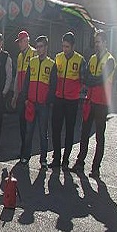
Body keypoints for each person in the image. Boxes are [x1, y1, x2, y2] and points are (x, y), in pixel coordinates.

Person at [71, 30, 115, 178]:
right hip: (90, 100)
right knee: (84, 133)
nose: (96, 44)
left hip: (102, 103)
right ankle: (80, 162)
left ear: (105, 43)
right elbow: (87, 78)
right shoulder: (92, 59)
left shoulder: (110, 60)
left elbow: (98, 80)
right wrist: (91, 80)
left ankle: (96, 168)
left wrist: (91, 80)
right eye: (95, 42)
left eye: (99, 42)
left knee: (99, 137)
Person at [49, 32, 87, 169]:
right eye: (63, 46)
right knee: (55, 129)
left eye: (67, 46)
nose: (65, 49)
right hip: (59, 99)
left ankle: (65, 160)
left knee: (69, 131)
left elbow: (84, 80)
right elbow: (53, 79)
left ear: (73, 46)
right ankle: (56, 158)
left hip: (72, 101)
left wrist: (75, 91)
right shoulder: (58, 58)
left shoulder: (80, 60)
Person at [19, 36, 56, 169]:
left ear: (46, 47)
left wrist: (47, 101)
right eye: (38, 46)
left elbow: (53, 86)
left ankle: (43, 160)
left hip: (43, 105)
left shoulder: (51, 64)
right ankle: (25, 157)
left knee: (42, 133)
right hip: (31, 104)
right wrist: (25, 98)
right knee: (29, 132)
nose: (39, 49)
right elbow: (26, 82)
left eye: (41, 46)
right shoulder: (32, 62)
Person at [11, 30, 36, 158]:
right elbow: (17, 76)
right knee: (22, 124)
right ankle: (24, 149)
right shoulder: (20, 56)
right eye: (18, 42)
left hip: (30, 96)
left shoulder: (34, 54)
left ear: (26, 41)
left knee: (29, 125)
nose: (19, 44)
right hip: (21, 94)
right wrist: (15, 95)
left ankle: (27, 151)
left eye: (21, 42)